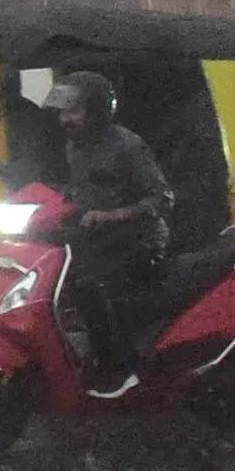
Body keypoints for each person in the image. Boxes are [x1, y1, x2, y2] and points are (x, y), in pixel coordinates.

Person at [47, 71, 173, 398]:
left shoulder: (127, 146)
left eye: (73, 111)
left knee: (101, 287)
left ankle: (127, 367)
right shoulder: (75, 145)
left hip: (139, 240)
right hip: (96, 239)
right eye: (63, 111)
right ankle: (92, 354)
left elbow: (161, 198)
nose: (65, 119)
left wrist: (111, 215)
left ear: (97, 111)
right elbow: (80, 190)